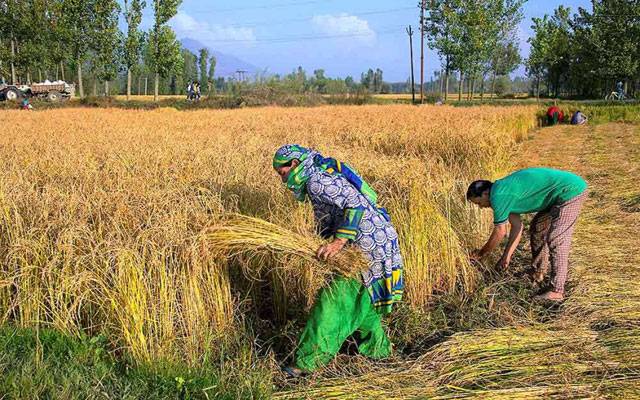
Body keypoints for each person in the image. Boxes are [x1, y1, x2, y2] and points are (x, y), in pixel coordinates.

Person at [273, 144, 403, 377]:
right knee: (363, 297)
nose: (283, 181)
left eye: (283, 173)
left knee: (333, 300)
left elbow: (355, 205)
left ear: (294, 164)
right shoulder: (317, 174)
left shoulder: (316, 180)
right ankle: (378, 350)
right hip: (376, 239)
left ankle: (307, 362)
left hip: (365, 246)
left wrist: (337, 243)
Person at [466, 167, 588, 302]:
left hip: (570, 191)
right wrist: (506, 257)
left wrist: (481, 254)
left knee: (556, 238)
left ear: (485, 193)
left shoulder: (498, 196)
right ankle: (538, 272)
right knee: (538, 228)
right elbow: (517, 227)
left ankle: (557, 291)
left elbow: (500, 231)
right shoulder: (504, 191)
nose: (481, 207)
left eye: (478, 203)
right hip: (555, 194)